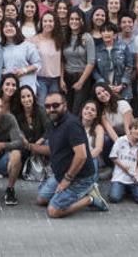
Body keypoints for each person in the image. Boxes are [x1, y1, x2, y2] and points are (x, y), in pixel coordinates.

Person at [34, 90, 107, 218]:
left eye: (56, 105)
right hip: (61, 174)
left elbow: (82, 155)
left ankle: (91, 198)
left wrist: (67, 180)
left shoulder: (72, 124)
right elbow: (53, 149)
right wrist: (29, 146)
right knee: (41, 200)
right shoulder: (53, 123)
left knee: (53, 211)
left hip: (79, 177)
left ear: (65, 105)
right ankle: (76, 194)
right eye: (48, 106)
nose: (51, 109)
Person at [62, 8, 96, 113]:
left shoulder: (87, 37)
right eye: (71, 19)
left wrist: (81, 82)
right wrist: (61, 79)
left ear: (82, 21)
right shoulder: (65, 36)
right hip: (67, 77)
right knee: (66, 109)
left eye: (77, 19)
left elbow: (91, 61)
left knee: (77, 110)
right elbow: (61, 60)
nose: (74, 21)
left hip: (82, 77)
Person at [108, 119, 138, 204]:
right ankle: (122, 189)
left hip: (134, 178)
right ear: (130, 129)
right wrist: (123, 167)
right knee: (114, 198)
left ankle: (128, 190)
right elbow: (113, 157)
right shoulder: (121, 140)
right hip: (120, 177)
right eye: (135, 128)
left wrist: (137, 172)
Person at [92, 23, 134, 102]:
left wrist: (122, 84)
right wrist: (103, 84)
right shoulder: (96, 49)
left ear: (115, 34)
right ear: (101, 34)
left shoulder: (124, 47)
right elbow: (94, 70)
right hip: (104, 90)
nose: (106, 33)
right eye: (103, 31)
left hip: (123, 90)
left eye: (109, 30)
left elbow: (129, 66)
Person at [0, 18, 41, 95]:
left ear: (16, 28)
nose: (8, 28)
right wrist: (4, 72)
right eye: (5, 26)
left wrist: (24, 70)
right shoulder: (0, 48)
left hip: (26, 86)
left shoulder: (27, 45)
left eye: (11, 26)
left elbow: (37, 64)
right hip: (9, 88)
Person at [30, 12, 64, 103]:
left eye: (50, 21)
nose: (48, 23)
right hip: (40, 78)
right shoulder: (34, 40)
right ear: (41, 23)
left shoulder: (58, 39)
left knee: (54, 105)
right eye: (45, 21)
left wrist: (62, 79)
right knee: (41, 104)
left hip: (55, 79)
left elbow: (61, 61)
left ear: (54, 23)